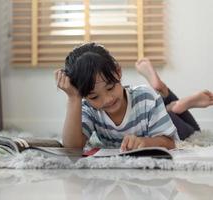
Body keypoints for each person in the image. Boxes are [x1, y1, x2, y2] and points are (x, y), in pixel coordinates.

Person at [55, 42, 212, 151]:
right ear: (84, 96)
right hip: (153, 111)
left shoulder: (146, 98)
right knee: (165, 112)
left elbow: (170, 142)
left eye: (110, 87)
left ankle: (171, 104)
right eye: (95, 97)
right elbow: (72, 148)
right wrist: (73, 98)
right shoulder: (88, 109)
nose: (107, 99)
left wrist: (146, 142)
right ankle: (169, 102)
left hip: (165, 120)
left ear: (118, 72)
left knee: (192, 131)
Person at [135, 58, 213, 140]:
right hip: (182, 126)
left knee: (192, 133)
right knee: (195, 133)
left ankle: (168, 104)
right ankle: (166, 96)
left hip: (169, 125)